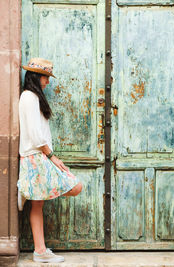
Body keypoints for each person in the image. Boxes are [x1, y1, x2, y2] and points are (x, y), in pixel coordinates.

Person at [17, 58, 82, 263]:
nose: (48, 81)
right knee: (75, 185)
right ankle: (24, 188)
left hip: (37, 156)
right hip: (36, 157)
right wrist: (53, 157)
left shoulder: (34, 97)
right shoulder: (29, 97)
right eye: (46, 77)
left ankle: (40, 251)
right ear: (37, 76)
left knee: (38, 204)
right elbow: (36, 136)